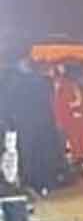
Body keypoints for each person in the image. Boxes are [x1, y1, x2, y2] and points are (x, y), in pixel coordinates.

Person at [0, 52, 64, 194]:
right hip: (32, 124)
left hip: (17, 123)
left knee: (21, 153)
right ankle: (37, 182)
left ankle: (23, 182)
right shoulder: (38, 81)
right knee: (33, 153)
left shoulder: (10, 79)